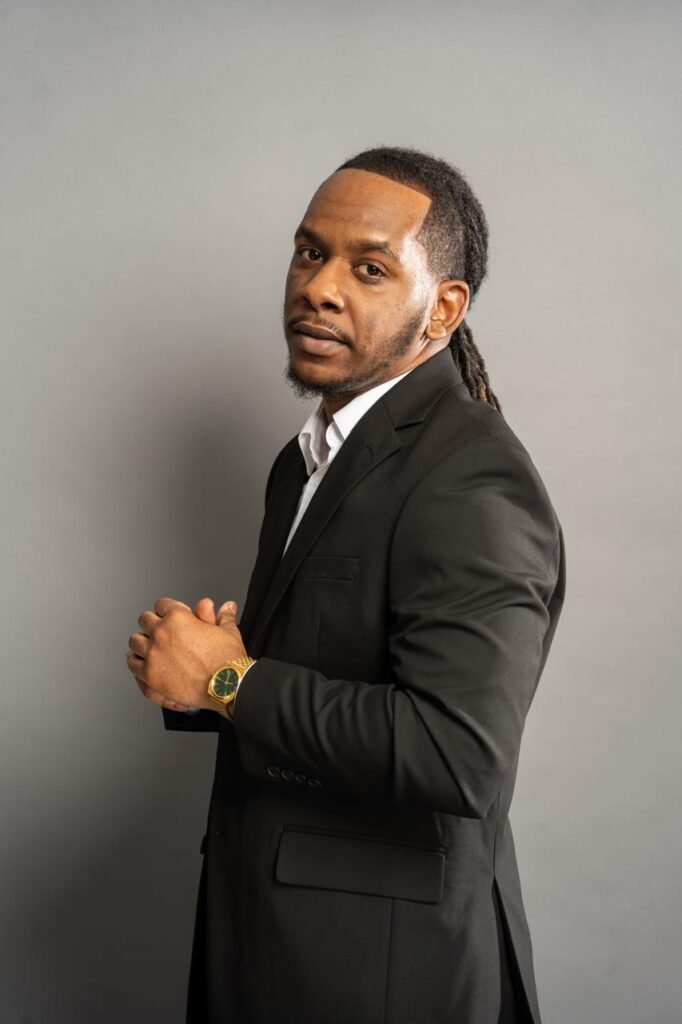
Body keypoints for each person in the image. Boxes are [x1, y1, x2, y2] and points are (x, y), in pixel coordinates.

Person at [125, 145, 566, 1024]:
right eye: (309, 252)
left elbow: (456, 751)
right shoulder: (304, 464)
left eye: (369, 268)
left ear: (443, 309)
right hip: (271, 939)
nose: (319, 287)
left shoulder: (470, 475)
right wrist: (203, 679)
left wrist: (228, 679)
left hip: (380, 974)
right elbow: (329, 676)